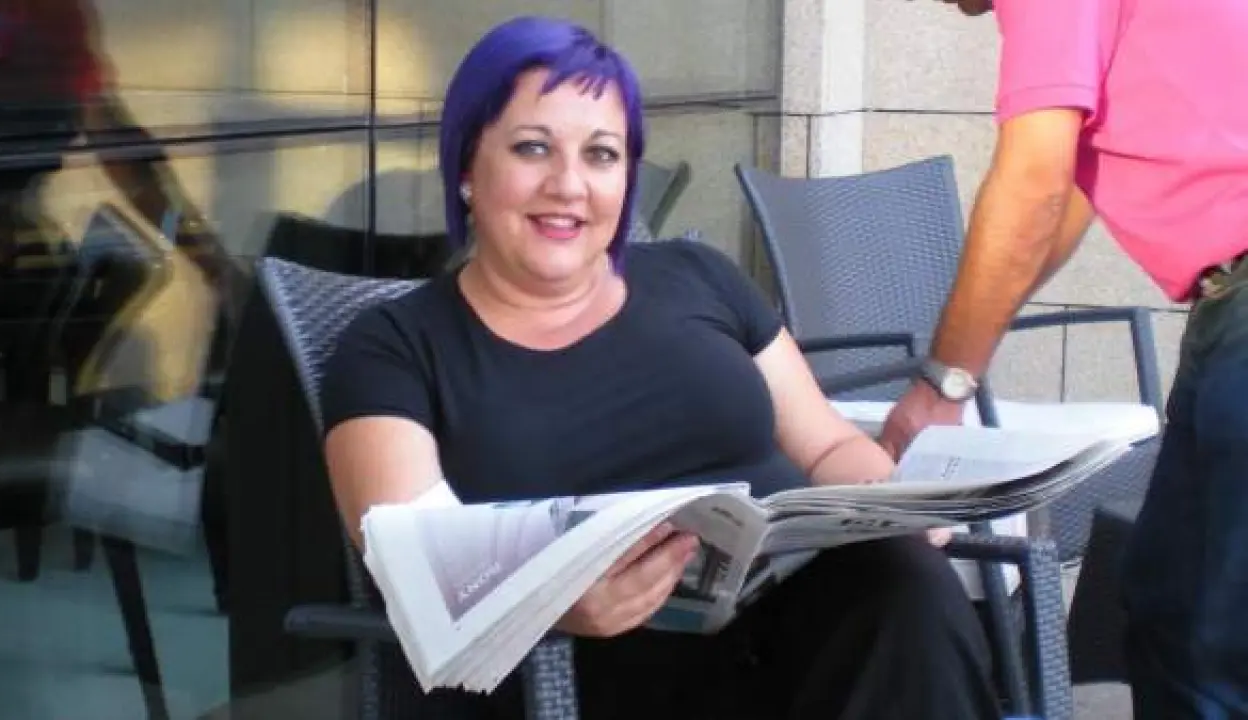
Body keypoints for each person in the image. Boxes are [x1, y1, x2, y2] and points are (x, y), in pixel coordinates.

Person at [319, 15, 1001, 720]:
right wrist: (555, 605)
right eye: (532, 148)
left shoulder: (698, 277)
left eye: (601, 155)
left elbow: (826, 444)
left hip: (789, 630)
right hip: (583, 671)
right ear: (467, 166)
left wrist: (888, 503)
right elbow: (416, 565)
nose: (569, 185)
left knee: (900, 576)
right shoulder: (395, 349)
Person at [879, 1, 1248, 717]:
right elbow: (1066, 198)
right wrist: (967, 354)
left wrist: (943, 385)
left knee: (1222, 645)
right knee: (1171, 610)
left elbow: (1033, 184)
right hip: (1224, 309)